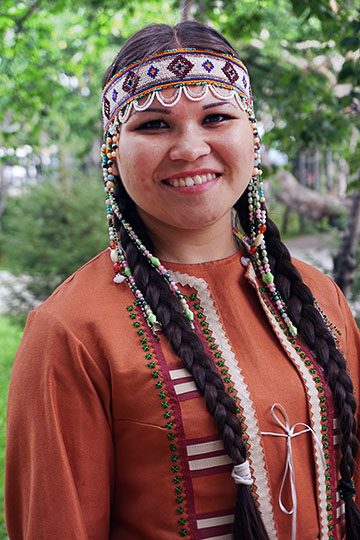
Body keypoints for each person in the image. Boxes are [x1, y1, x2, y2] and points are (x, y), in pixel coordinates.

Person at [5, 21, 360, 540]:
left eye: (216, 117)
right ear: (113, 151)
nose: (191, 148)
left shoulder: (316, 298)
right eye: (153, 125)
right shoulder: (71, 330)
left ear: (252, 135)